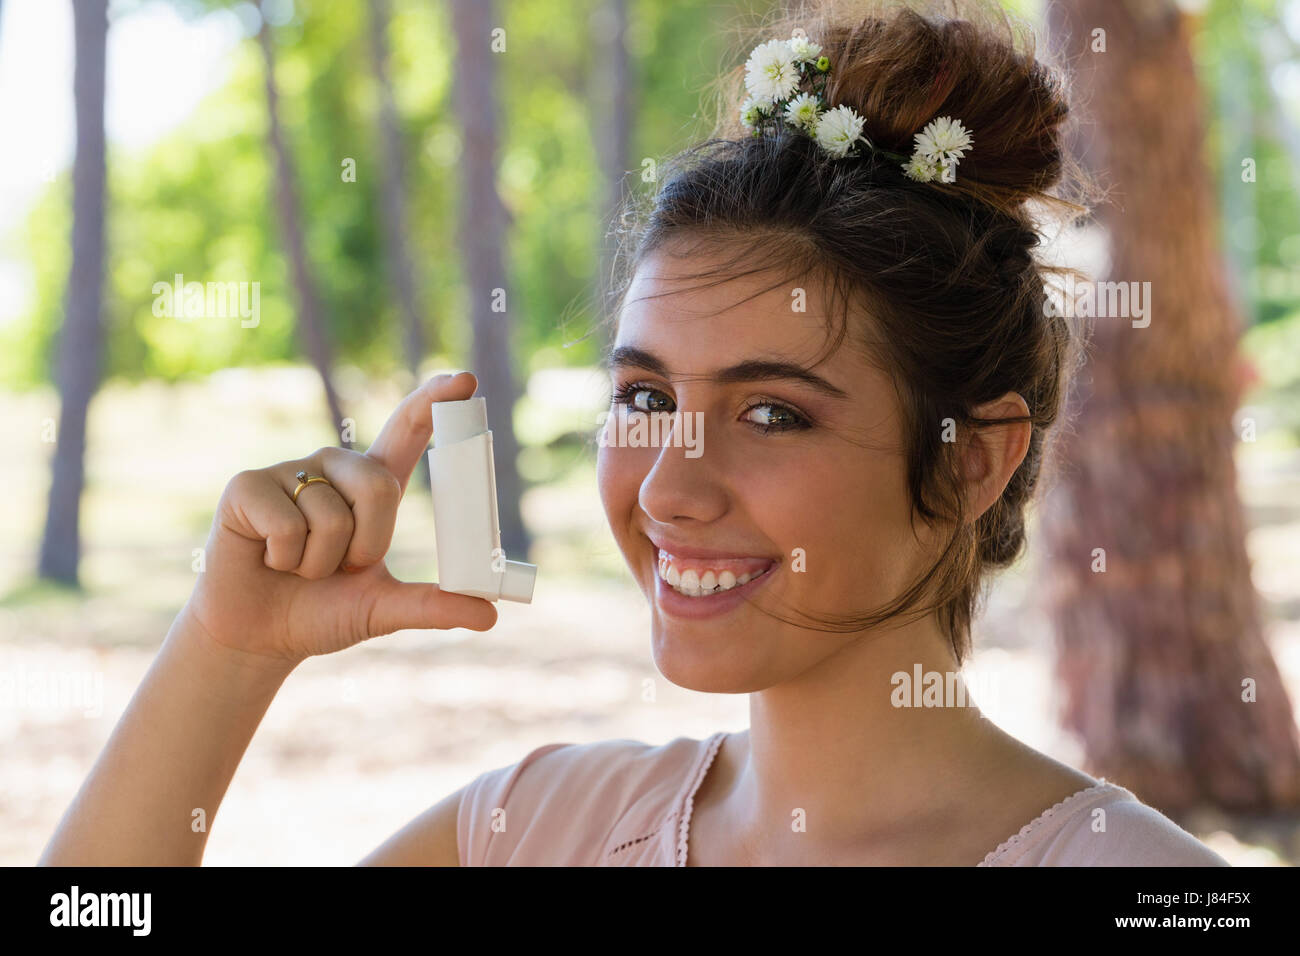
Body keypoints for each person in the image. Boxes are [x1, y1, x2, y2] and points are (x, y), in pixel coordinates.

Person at [40, 0, 1229, 867]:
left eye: (773, 412)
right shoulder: (533, 827)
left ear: (971, 457)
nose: (668, 490)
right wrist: (227, 648)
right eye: (647, 399)